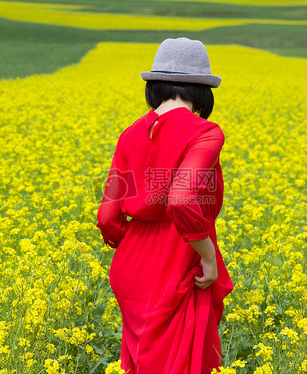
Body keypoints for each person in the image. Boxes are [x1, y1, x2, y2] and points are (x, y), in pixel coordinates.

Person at [96, 37, 234, 374]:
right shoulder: (206, 132)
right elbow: (182, 200)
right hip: (178, 258)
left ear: (155, 85)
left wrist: (132, 238)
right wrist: (208, 257)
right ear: (203, 91)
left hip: (131, 263)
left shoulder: (129, 134)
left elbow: (107, 215)